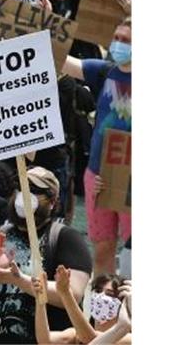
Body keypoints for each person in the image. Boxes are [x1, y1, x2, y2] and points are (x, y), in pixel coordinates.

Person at [0, 167, 92, 344]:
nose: (24, 196)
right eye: (21, 188)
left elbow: (72, 294)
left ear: (52, 201)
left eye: (34, 191)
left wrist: (18, 280)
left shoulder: (66, 238)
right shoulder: (1, 234)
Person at [63, 16, 132, 275]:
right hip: (98, 174)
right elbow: (63, 61)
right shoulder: (104, 71)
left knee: (132, 251)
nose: (119, 44)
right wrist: (47, 23)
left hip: (132, 178)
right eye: (116, 38)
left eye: (126, 40)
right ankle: (101, 311)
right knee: (102, 248)